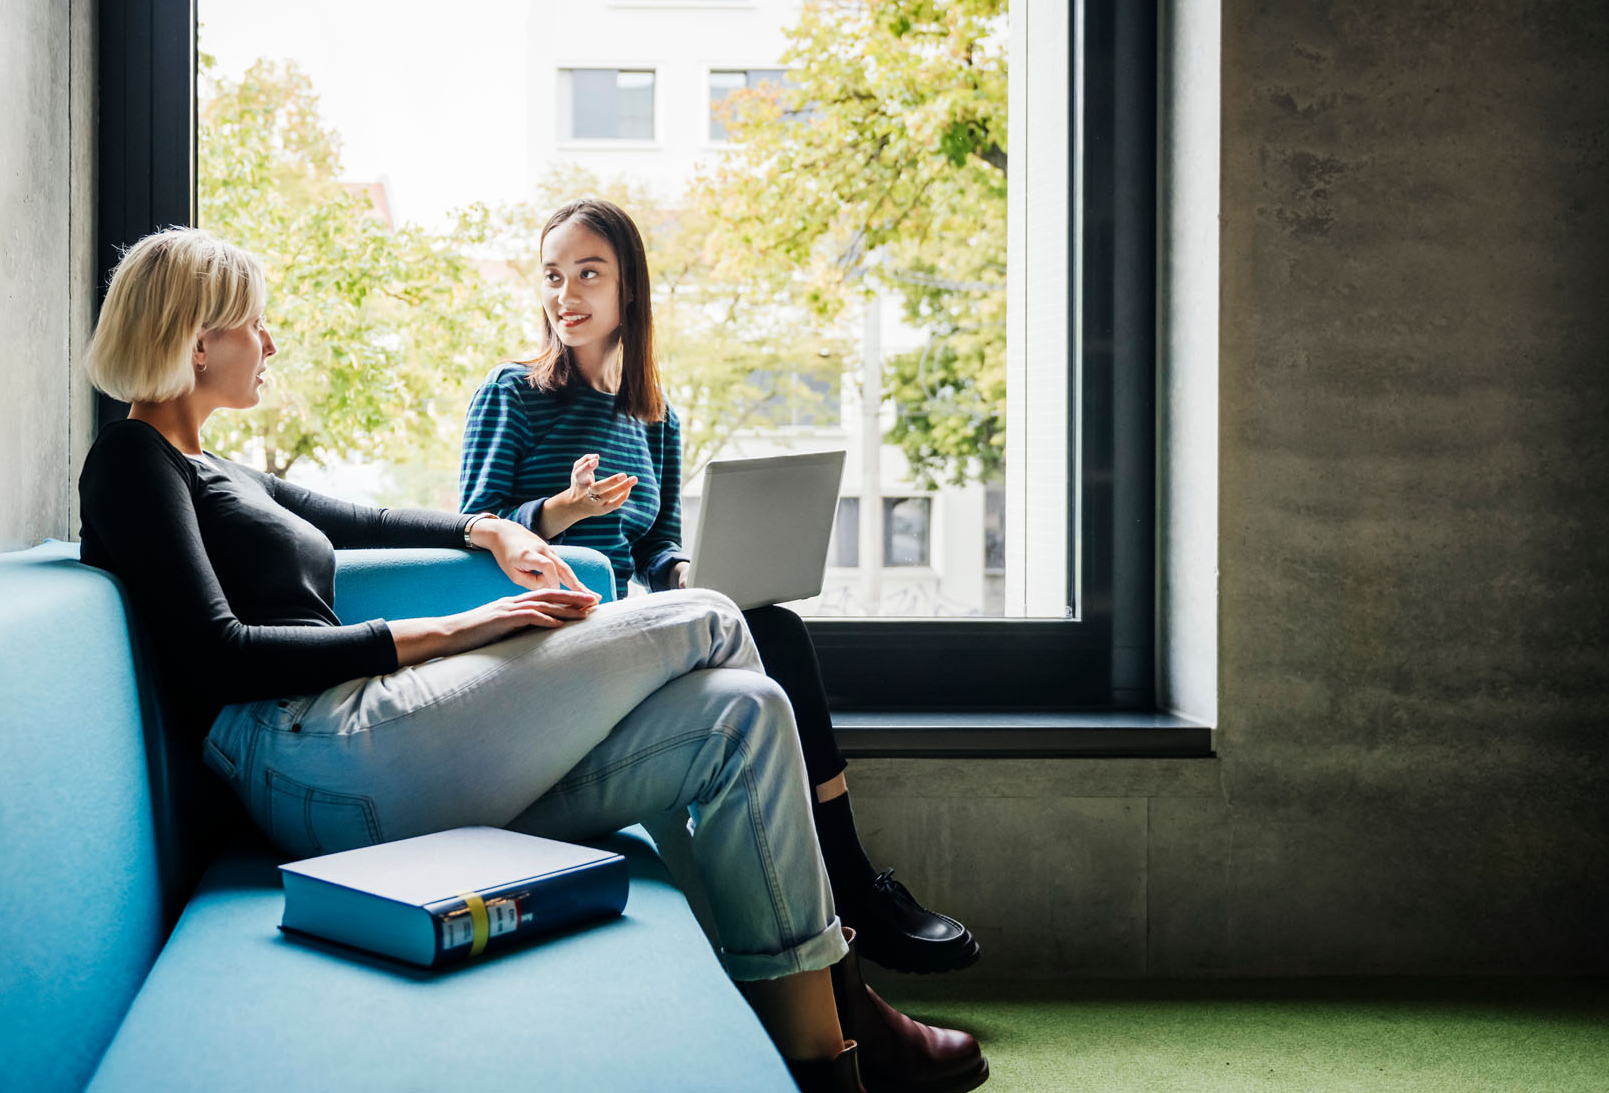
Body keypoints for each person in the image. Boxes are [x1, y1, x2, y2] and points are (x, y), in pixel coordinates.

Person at [75, 227, 987, 1093]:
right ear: (198, 343)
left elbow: (372, 519)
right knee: (709, 616)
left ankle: (828, 1052)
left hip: (368, 751)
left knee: (743, 716)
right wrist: (470, 626)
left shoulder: (217, 466)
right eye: (253, 324)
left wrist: (496, 530)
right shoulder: (131, 460)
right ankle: (844, 978)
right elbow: (220, 655)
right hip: (311, 755)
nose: (269, 341)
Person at [460, 197, 979, 976]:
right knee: (773, 641)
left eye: (588, 274)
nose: (565, 295)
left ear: (628, 287)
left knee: (773, 626)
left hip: (619, 629)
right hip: (542, 641)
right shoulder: (514, 393)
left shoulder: (655, 417)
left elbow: (657, 546)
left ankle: (845, 884)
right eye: (553, 276)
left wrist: (687, 577)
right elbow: (468, 526)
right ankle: (852, 888)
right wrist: (560, 510)